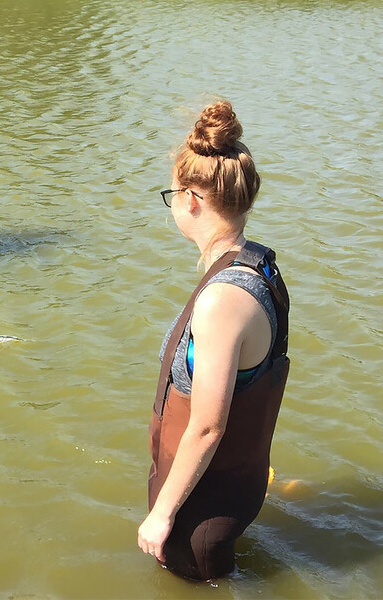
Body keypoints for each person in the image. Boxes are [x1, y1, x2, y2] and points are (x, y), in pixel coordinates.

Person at [139, 101, 291, 581]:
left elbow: (207, 428)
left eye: (172, 194)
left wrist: (162, 516)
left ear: (190, 200)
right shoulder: (259, 264)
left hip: (200, 515)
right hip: (232, 488)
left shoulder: (223, 299)